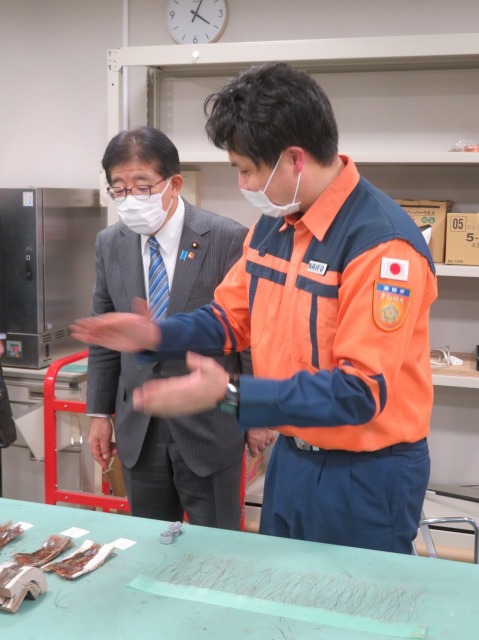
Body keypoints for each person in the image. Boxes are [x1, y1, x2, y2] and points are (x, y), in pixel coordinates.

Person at [72, 63, 438, 554]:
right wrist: (158, 336)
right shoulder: (277, 225)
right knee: (275, 592)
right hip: (293, 458)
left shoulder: (380, 245)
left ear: (294, 160)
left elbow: (359, 392)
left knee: (349, 602)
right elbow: (229, 317)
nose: (243, 184)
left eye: (246, 170)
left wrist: (231, 394)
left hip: (364, 475)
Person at [85, 126, 275, 529]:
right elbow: (105, 339)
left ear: (174, 184)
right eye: (118, 189)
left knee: (218, 546)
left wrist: (256, 413)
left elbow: (248, 335)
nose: (130, 199)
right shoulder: (109, 243)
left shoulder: (226, 238)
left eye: (142, 187)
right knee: (150, 543)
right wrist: (99, 414)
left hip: (210, 422)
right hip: (139, 425)